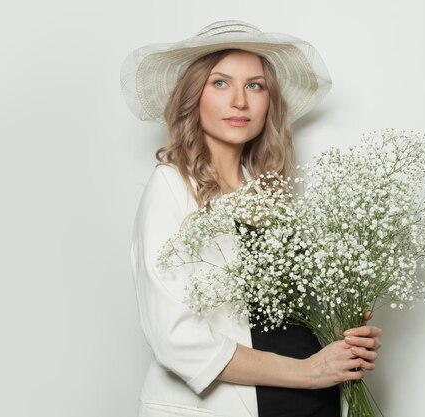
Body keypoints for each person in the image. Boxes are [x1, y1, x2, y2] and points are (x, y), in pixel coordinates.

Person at [121, 20, 383, 417]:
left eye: (255, 85)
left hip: (317, 404)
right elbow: (173, 336)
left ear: (268, 102)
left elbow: (287, 317)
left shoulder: (271, 195)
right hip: (241, 403)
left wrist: (345, 336)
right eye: (221, 83)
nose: (240, 101)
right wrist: (306, 371)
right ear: (194, 97)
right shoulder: (171, 185)